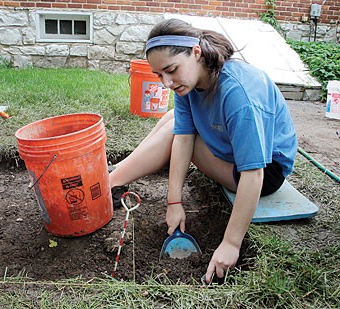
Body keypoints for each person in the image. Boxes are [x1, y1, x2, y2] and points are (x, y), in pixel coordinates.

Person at [109, 18, 297, 284]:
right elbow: (183, 137)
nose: (166, 83)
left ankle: (109, 182)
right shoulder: (188, 83)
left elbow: (254, 174)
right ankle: (115, 174)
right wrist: (174, 203)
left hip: (265, 172)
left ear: (196, 52)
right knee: (174, 121)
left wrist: (231, 243)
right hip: (232, 154)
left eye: (171, 70)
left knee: (173, 130)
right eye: (159, 75)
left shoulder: (239, 94)